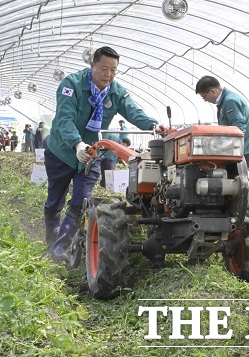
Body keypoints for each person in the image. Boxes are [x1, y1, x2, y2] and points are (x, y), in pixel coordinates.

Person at [44, 46, 159, 262]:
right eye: (104, 68)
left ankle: (60, 248)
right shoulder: (72, 84)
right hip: (62, 152)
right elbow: (64, 119)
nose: (108, 74)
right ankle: (51, 237)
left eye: (114, 70)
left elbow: (133, 112)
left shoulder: (116, 91)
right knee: (55, 200)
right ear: (92, 65)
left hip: (92, 154)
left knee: (81, 200)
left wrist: (154, 125)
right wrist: (77, 144)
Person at [195, 75, 249, 168]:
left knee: (235, 178)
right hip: (239, 149)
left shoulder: (230, 101)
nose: (205, 100)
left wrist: (231, 149)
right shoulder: (226, 100)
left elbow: (239, 128)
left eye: (204, 97)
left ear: (212, 91)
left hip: (241, 149)